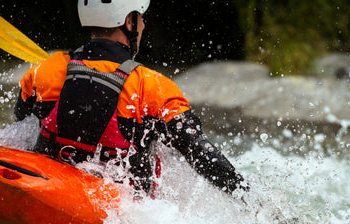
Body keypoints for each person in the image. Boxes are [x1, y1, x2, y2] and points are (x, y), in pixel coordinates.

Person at [14, 0, 247, 197]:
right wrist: (246, 195)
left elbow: (20, 123)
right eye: (141, 18)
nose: (143, 24)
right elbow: (200, 152)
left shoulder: (46, 71)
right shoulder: (150, 86)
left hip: (47, 186)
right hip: (120, 213)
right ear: (129, 22)